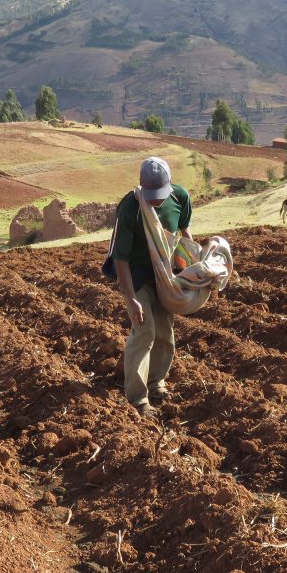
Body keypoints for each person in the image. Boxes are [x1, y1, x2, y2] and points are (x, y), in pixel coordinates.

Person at [110, 157, 192, 418]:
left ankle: (157, 382)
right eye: (151, 195)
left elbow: (183, 234)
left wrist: (195, 271)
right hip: (136, 277)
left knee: (165, 332)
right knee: (144, 331)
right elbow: (120, 258)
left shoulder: (180, 197)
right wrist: (131, 298)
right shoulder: (130, 209)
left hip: (164, 277)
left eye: (160, 195)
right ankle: (138, 398)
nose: (155, 201)